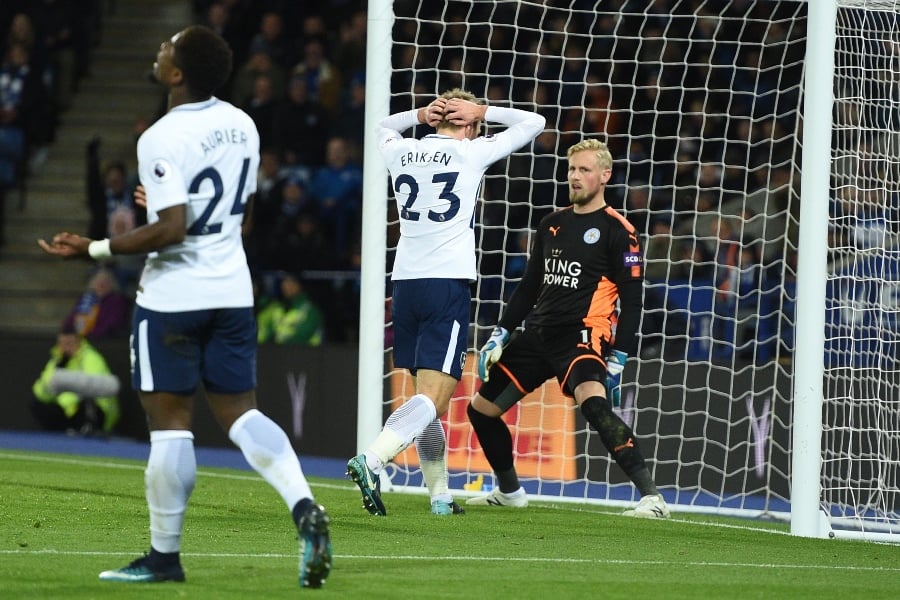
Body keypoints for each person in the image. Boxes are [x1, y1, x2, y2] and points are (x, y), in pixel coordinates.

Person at [37, 25, 331, 587]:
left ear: (177, 74)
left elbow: (171, 230)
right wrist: (172, 202)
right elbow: (214, 203)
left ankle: (164, 557)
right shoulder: (243, 123)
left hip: (172, 296)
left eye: (167, 48)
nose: (159, 50)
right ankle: (303, 508)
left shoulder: (160, 137)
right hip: (230, 289)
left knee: (171, 427)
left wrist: (94, 248)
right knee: (242, 413)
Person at [345, 88, 545, 516]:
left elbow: (380, 127)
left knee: (424, 399)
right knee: (434, 400)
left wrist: (418, 114)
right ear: (469, 123)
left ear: (435, 119)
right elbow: (535, 123)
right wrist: (486, 110)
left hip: (405, 284)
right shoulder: (472, 153)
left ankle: (439, 497)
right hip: (445, 284)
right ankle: (373, 459)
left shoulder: (404, 151)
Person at [467, 139, 670, 519]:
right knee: (481, 410)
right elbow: (529, 286)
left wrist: (620, 355)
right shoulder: (551, 224)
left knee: (593, 405)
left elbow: (634, 300)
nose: (575, 177)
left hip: (583, 335)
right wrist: (502, 332)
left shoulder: (619, 231)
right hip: (538, 333)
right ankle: (509, 491)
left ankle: (652, 498)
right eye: (572, 169)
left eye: (585, 170)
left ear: (605, 176)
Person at [31, 324, 120, 435]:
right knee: (38, 405)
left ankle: (88, 430)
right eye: (61, 344)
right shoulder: (57, 360)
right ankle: (57, 435)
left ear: (78, 342)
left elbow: (94, 387)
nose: (65, 348)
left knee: (86, 401)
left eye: (69, 344)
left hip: (96, 409)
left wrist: (64, 391)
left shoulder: (90, 357)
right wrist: (58, 372)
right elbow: (40, 390)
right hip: (67, 407)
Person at [61, 266, 131, 340]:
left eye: (105, 282)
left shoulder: (117, 301)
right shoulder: (85, 299)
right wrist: (68, 332)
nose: (101, 285)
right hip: (80, 338)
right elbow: (71, 319)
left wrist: (90, 335)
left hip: (104, 340)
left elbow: (113, 325)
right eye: (98, 281)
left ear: (112, 284)